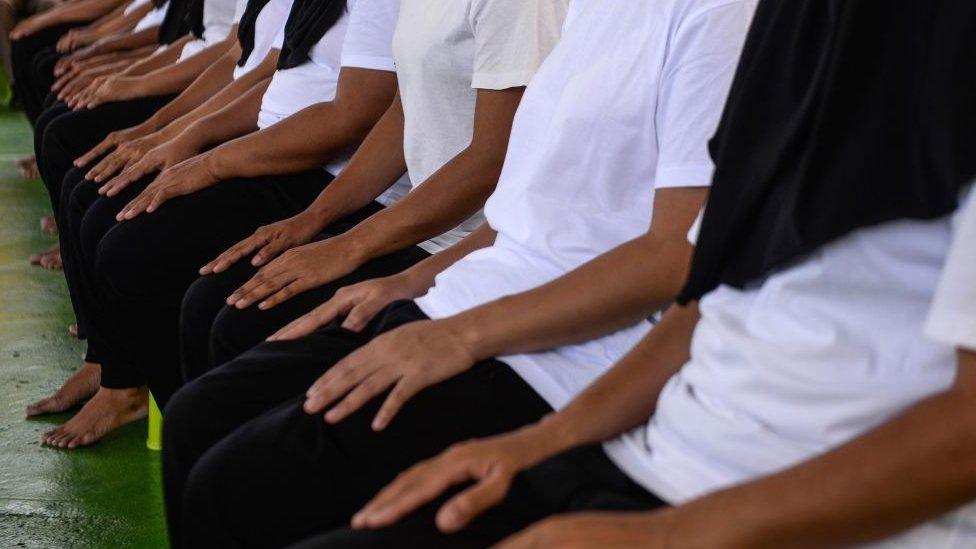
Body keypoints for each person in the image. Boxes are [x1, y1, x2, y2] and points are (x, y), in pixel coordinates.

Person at [312, 1, 976, 546]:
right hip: (657, 454)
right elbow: (708, 294)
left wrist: (664, 534)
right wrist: (537, 444)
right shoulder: (799, 25)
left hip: (811, 512)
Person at [160, 0, 755, 546]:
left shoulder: (718, 18)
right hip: (471, 289)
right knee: (203, 415)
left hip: (559, 350)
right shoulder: (596, 10)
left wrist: (454, 330)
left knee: (233, 483)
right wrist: (401, 285)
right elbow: (522, 210)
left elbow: (674, 256)